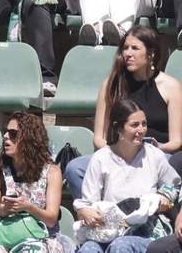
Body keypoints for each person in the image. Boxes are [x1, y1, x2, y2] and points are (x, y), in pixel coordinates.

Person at [64, 27, 182, 198]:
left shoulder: (170, 86)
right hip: (117, 152)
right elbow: (99, 137)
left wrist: (159, 148)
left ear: (151, 53)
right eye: (125, 48)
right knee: (75, 168)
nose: (128, 53)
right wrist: (117, 152)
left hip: (156, 153)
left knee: (173, 168)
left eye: (135, 48)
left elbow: (177, 140)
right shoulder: (111, 84)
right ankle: (97, 217)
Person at [72, 99, 179, 252]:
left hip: (146, 230)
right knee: (88, 249)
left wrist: (166, 195)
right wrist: (84, 212)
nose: (141, 130)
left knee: (121, 246)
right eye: (134, 125)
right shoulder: (101, 158)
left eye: (144, 123)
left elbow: (176, 186)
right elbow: (88, 204)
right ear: (118, 128)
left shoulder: (154, 155)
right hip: (110, 229)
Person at [0, 113, 71, 253]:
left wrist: (28, 207)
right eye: (5, 132)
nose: (5, 136)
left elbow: (51, 219)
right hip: (7, 237)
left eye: (12, 133)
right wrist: (2, 212)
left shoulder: (52, 172)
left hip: (42, 237)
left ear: (29, 138)